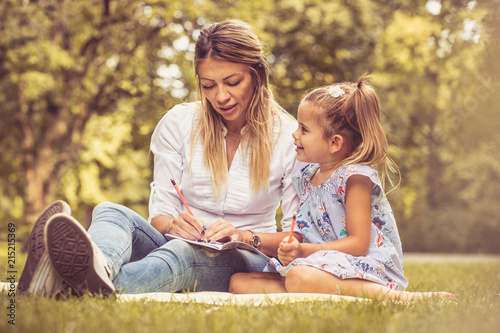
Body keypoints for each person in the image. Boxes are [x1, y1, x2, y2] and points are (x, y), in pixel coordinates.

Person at [18, 20, 303, 297]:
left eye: (232, 82)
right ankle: (99, 267)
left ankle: (67, 284)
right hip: (174, 245)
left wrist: (242, 236)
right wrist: (172, 225)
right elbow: (160, 217)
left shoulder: (290, 137)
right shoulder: (179, 123)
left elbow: (297, 236)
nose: (221, 96)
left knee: (181, 253)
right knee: (110, 211)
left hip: (246, 257)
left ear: (258, 74)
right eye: (208, 85)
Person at [229, 76, 455, 301]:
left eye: (304, 129)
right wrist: (291, 246)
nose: (295, 134)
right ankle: (311, 290)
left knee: (299, 277)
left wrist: (302, 251)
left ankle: (395, 297)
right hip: (318, 264)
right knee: (238, 281)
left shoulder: (354, 178)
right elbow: (304, 232)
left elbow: (358, 244)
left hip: (361, 267)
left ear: (334, 143)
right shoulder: (307, 177)